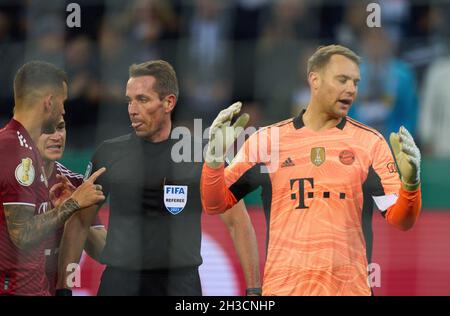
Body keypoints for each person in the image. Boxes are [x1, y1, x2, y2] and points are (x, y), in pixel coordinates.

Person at [200, 45, 422, 296]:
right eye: (342, 80)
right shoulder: (268, 142)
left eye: (356, 82)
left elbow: (402, 221)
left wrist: (411, 183)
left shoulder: (370, 144)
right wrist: (215, 160)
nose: (351, 89)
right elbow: (214, 203)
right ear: (314, 80)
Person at [57, 60, 261, 296]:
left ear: (168, 102)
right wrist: (65, 287)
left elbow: (239, 223)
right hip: (120, 283)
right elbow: (80, 222)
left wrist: (254, 290)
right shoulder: (109, 153)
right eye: (129, 100)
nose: (132, 109)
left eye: (142, 99)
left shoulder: (201, 156)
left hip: (180, 285)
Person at [0, 61, 106, 296]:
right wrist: (73, 204)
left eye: (62, 128)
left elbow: (103, 252)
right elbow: (23, 234)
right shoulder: (14, 150)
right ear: (49, 101)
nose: (64, 110)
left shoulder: (70, 180)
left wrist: (79, 212)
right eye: (63, 102)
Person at [37, 117, 107, 295]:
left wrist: (75, 211)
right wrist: (64, 210)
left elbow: (102, 252)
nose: (56, 136)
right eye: (46, 129)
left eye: (60, 127)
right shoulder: (8, 179)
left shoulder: (75, 183)